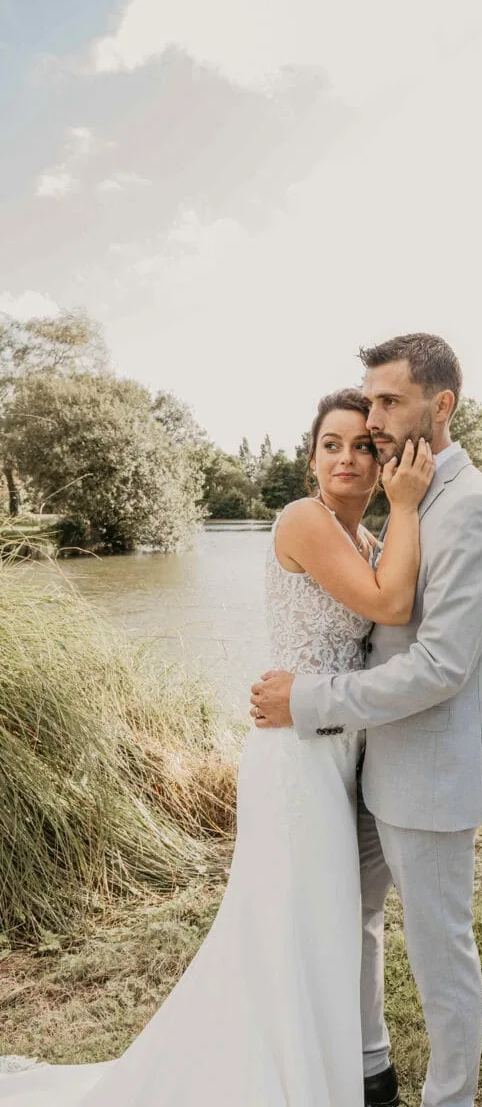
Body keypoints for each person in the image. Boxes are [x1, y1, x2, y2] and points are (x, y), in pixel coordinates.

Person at [0, 388, 434, 1107]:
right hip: (294, 758)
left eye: (364, 445)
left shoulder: (363, 540)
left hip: (336, 754)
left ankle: (325, 1071)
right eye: (332, 444)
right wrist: (412, 506)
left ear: (382, 457)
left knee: (320, 923)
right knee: (291, 922)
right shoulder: (304, 520)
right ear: (311, 459)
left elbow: (396, 605)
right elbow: (390, 605)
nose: (348, 458)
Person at [251, 333, 482, 1107]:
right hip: (360, 767)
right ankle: (371, 1072)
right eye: (370, 401)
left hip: (427, 774)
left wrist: (308, 700)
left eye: (391, 402)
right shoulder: (403, 503)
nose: (375, 420)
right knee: (354, 921)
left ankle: (450, 1099)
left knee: (441, 956)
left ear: (443, 405)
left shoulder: (473, 510)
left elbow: (440, 665)